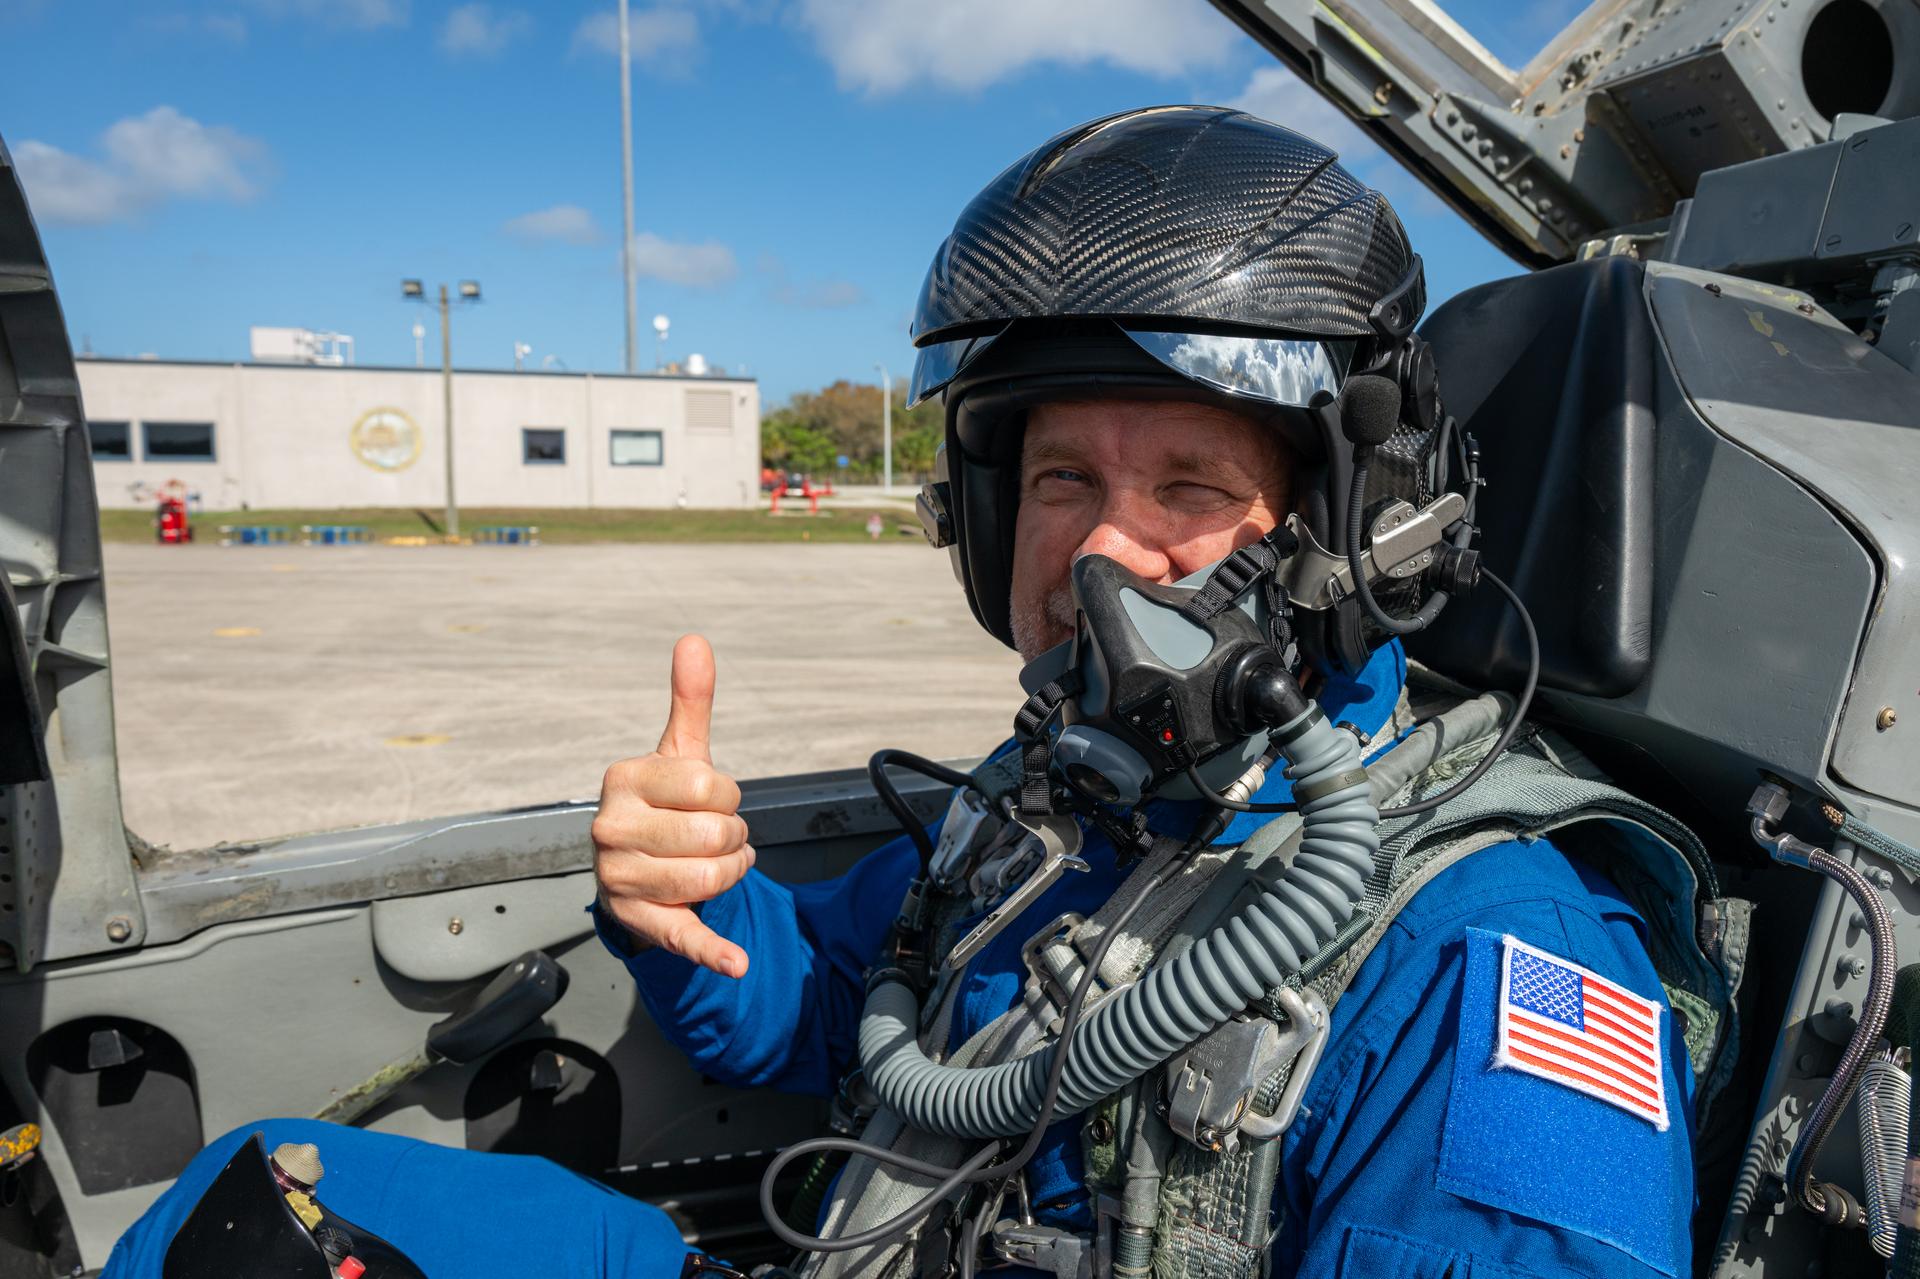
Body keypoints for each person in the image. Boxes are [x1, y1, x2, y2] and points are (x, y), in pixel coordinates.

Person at [109, 107, 1720, 1279]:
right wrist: (694, 913)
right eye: (1061, 478)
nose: (1105, 550)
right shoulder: (1050, 799)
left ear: (1343, 531)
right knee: (263, 1203)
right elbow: (842, 1021)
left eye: (1189, 483)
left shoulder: (1483, 961)